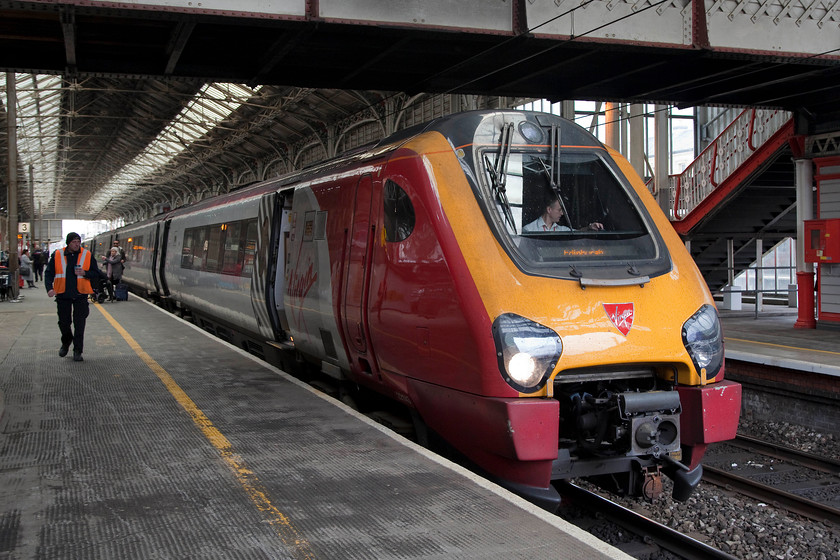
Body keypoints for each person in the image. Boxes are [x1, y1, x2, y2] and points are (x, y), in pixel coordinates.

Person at [45, 232, 104, 362]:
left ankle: (78, 350)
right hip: (63, 295)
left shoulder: (87, 255)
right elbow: (49, 273)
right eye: (74, 242)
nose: (77, 244)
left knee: (80, 324)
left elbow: (96, 273)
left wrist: (85, 273)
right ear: (68, 243)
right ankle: (66, 341)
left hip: (81, 295)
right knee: (64, 323)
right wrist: (49, 288)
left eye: (78, 241)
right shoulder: (58, 254)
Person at [522, 197, 604, 233]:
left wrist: (589, 228)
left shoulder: (561, 230)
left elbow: (577, 233)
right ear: (549, 209)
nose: (562, 213)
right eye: (559, 210)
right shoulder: (528, 230)